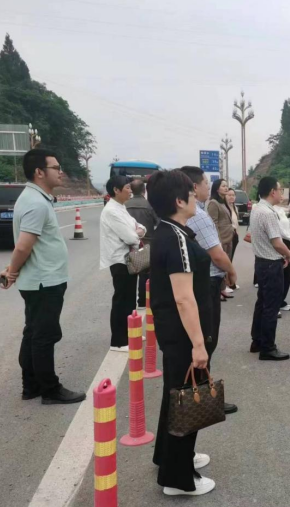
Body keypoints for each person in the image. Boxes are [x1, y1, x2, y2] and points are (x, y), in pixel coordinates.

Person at [146, 170, 214, 496]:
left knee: (176, 396)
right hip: (184, 335)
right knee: (187, 400)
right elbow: (184, 298)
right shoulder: (176, 239)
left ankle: (170, 456)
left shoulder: (168, 231)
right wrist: (199, 344)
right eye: (191, 192)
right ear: (178, 201)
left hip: (174, 333)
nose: (195, 196)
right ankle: (177, 479)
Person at [1, 149, 85, 404]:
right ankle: (50, 389)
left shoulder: (34, 198)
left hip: (40, 279)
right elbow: (23, 246)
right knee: (44, 336)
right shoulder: (36, 203)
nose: (61, 172)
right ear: (39, 172)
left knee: (34, 332)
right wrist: (11, 271)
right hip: (44, 281)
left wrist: (12, 270)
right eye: (55, 168)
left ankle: (31, 385)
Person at [178, 167, 238, 415]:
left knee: (199, 340)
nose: (207, 186)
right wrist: (231, 271)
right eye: (205, 182)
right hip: (208, 282)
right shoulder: (200, 216)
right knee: (206, 340)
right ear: (194, 187)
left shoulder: (177, 217)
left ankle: (197, 394)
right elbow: (217, 254)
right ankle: (202, 397)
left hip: (197, 281)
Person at [100, 175, 146, 352]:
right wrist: (137, 233)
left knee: (129, 299)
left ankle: (131, 333)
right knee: (122, 300)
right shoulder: (111, 211)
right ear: (116, 190)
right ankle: (118, 341)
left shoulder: (121, 207)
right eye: (127, 188)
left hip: (129, 258)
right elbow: (131, 237)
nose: (130, 191)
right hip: (120, 260)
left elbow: (140, 227)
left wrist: (138, 231)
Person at [249, 176, 290, 360]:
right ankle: (268, 348)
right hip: (271, 264)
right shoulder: (268, 213)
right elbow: (277, 242)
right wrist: (289, 255)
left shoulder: (257, 209)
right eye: (280, 189)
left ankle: (257, 341)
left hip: (261, 262)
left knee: (262, 303)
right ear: (272, 191)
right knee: (271, 307)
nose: (281, 193)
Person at [125, 177, 159, 308]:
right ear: (144, 190)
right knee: (145, 275)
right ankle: (143, 302)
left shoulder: (124, 205)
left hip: (128, 244)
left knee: (129, 275)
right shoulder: (149, 205)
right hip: (146, 244)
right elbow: (158, 223)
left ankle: (129, 305)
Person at [206, 179, 235, 300]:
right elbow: (214, 223)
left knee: (226, 263)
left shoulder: (224, 202)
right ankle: (218, 291)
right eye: (223, 186)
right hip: (221, 238)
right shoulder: (213, 203)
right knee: (219, 265)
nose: (226, 188)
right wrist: (218, 241)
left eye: (227, 186)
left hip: (229, 237)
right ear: (217, 188)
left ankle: (222, 289)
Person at [275, 196, 290, 311]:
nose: (281, 196)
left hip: (286, 241)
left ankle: (281, 300)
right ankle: (274, 304)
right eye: (279, 191)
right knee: (278, 273)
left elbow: (287, 228)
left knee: (287, 272)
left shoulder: (281, 210)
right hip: (278, 242)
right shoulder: (270, 211)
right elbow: (279, 231)